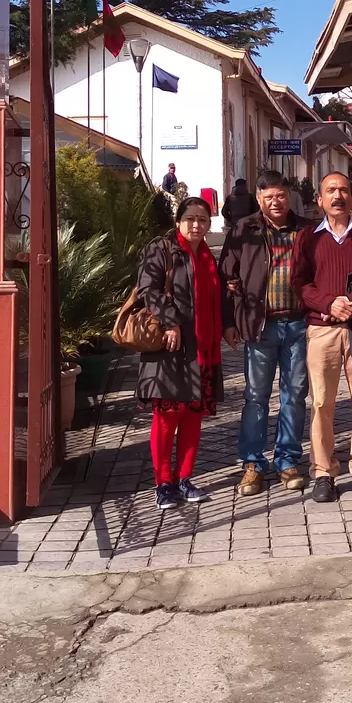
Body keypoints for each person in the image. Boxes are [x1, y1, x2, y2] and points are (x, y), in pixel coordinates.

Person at [291, 172, 352, 503]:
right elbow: (299, 283)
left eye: (344, 190)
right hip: (322, 330)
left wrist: (350, 303)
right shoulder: (307, 238)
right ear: (319, 199)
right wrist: (328, 304)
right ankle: (323, 472)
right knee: (322, 402)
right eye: (330, 190)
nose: (338, 196)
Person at [219, 169, 313, 495]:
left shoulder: (305, 230)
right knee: (256, 397)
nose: (276, 202)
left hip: (299, 325)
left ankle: (287, 460)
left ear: (289, 196)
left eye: (281, 195)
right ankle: (252, 463)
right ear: (259, 199)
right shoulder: (244, 229)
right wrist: (229, 322)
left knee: (295, 395)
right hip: (260, 326)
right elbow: (225, 276)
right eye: (269, 196)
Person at [133, 196, 224, 511]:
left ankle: (184, 478)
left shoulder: (207, 256)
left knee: (192, 417)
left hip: (203, 349)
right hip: (171, 348)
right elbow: (148, 290)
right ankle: (163, 484)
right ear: (178, 222)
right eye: (190, 219)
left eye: (203, 219)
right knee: (166, 419)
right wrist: (170, 322)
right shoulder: (162, 250)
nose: (196, 225)